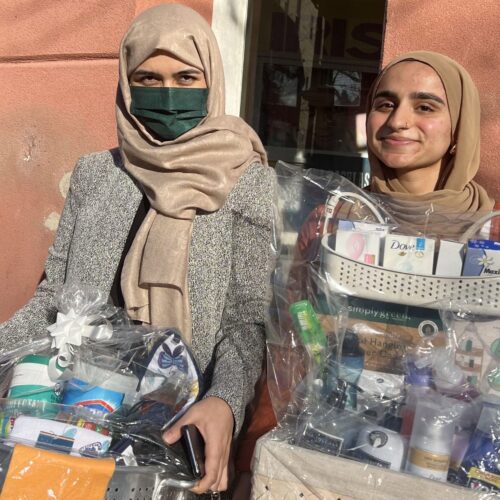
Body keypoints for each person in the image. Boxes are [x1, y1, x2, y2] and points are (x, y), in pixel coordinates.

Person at [0, 4, 275, 496]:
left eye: (186, 77)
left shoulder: (245, 182)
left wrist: (226, 403)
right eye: (148, 78)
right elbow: (55, 296)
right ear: (126, 85)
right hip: (72, 407)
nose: (168, 94)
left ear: (211, 79)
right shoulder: (96, 173)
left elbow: (247, 321)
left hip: (173, 421)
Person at [237, 50, 500, 480]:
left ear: (459, 130)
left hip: (454, 469)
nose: (398, 120)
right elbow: (291, 343)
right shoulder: (334, 221)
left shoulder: (491, 235)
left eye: (425, 106)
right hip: (334, 450)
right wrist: (255, 454)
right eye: (385, 103)